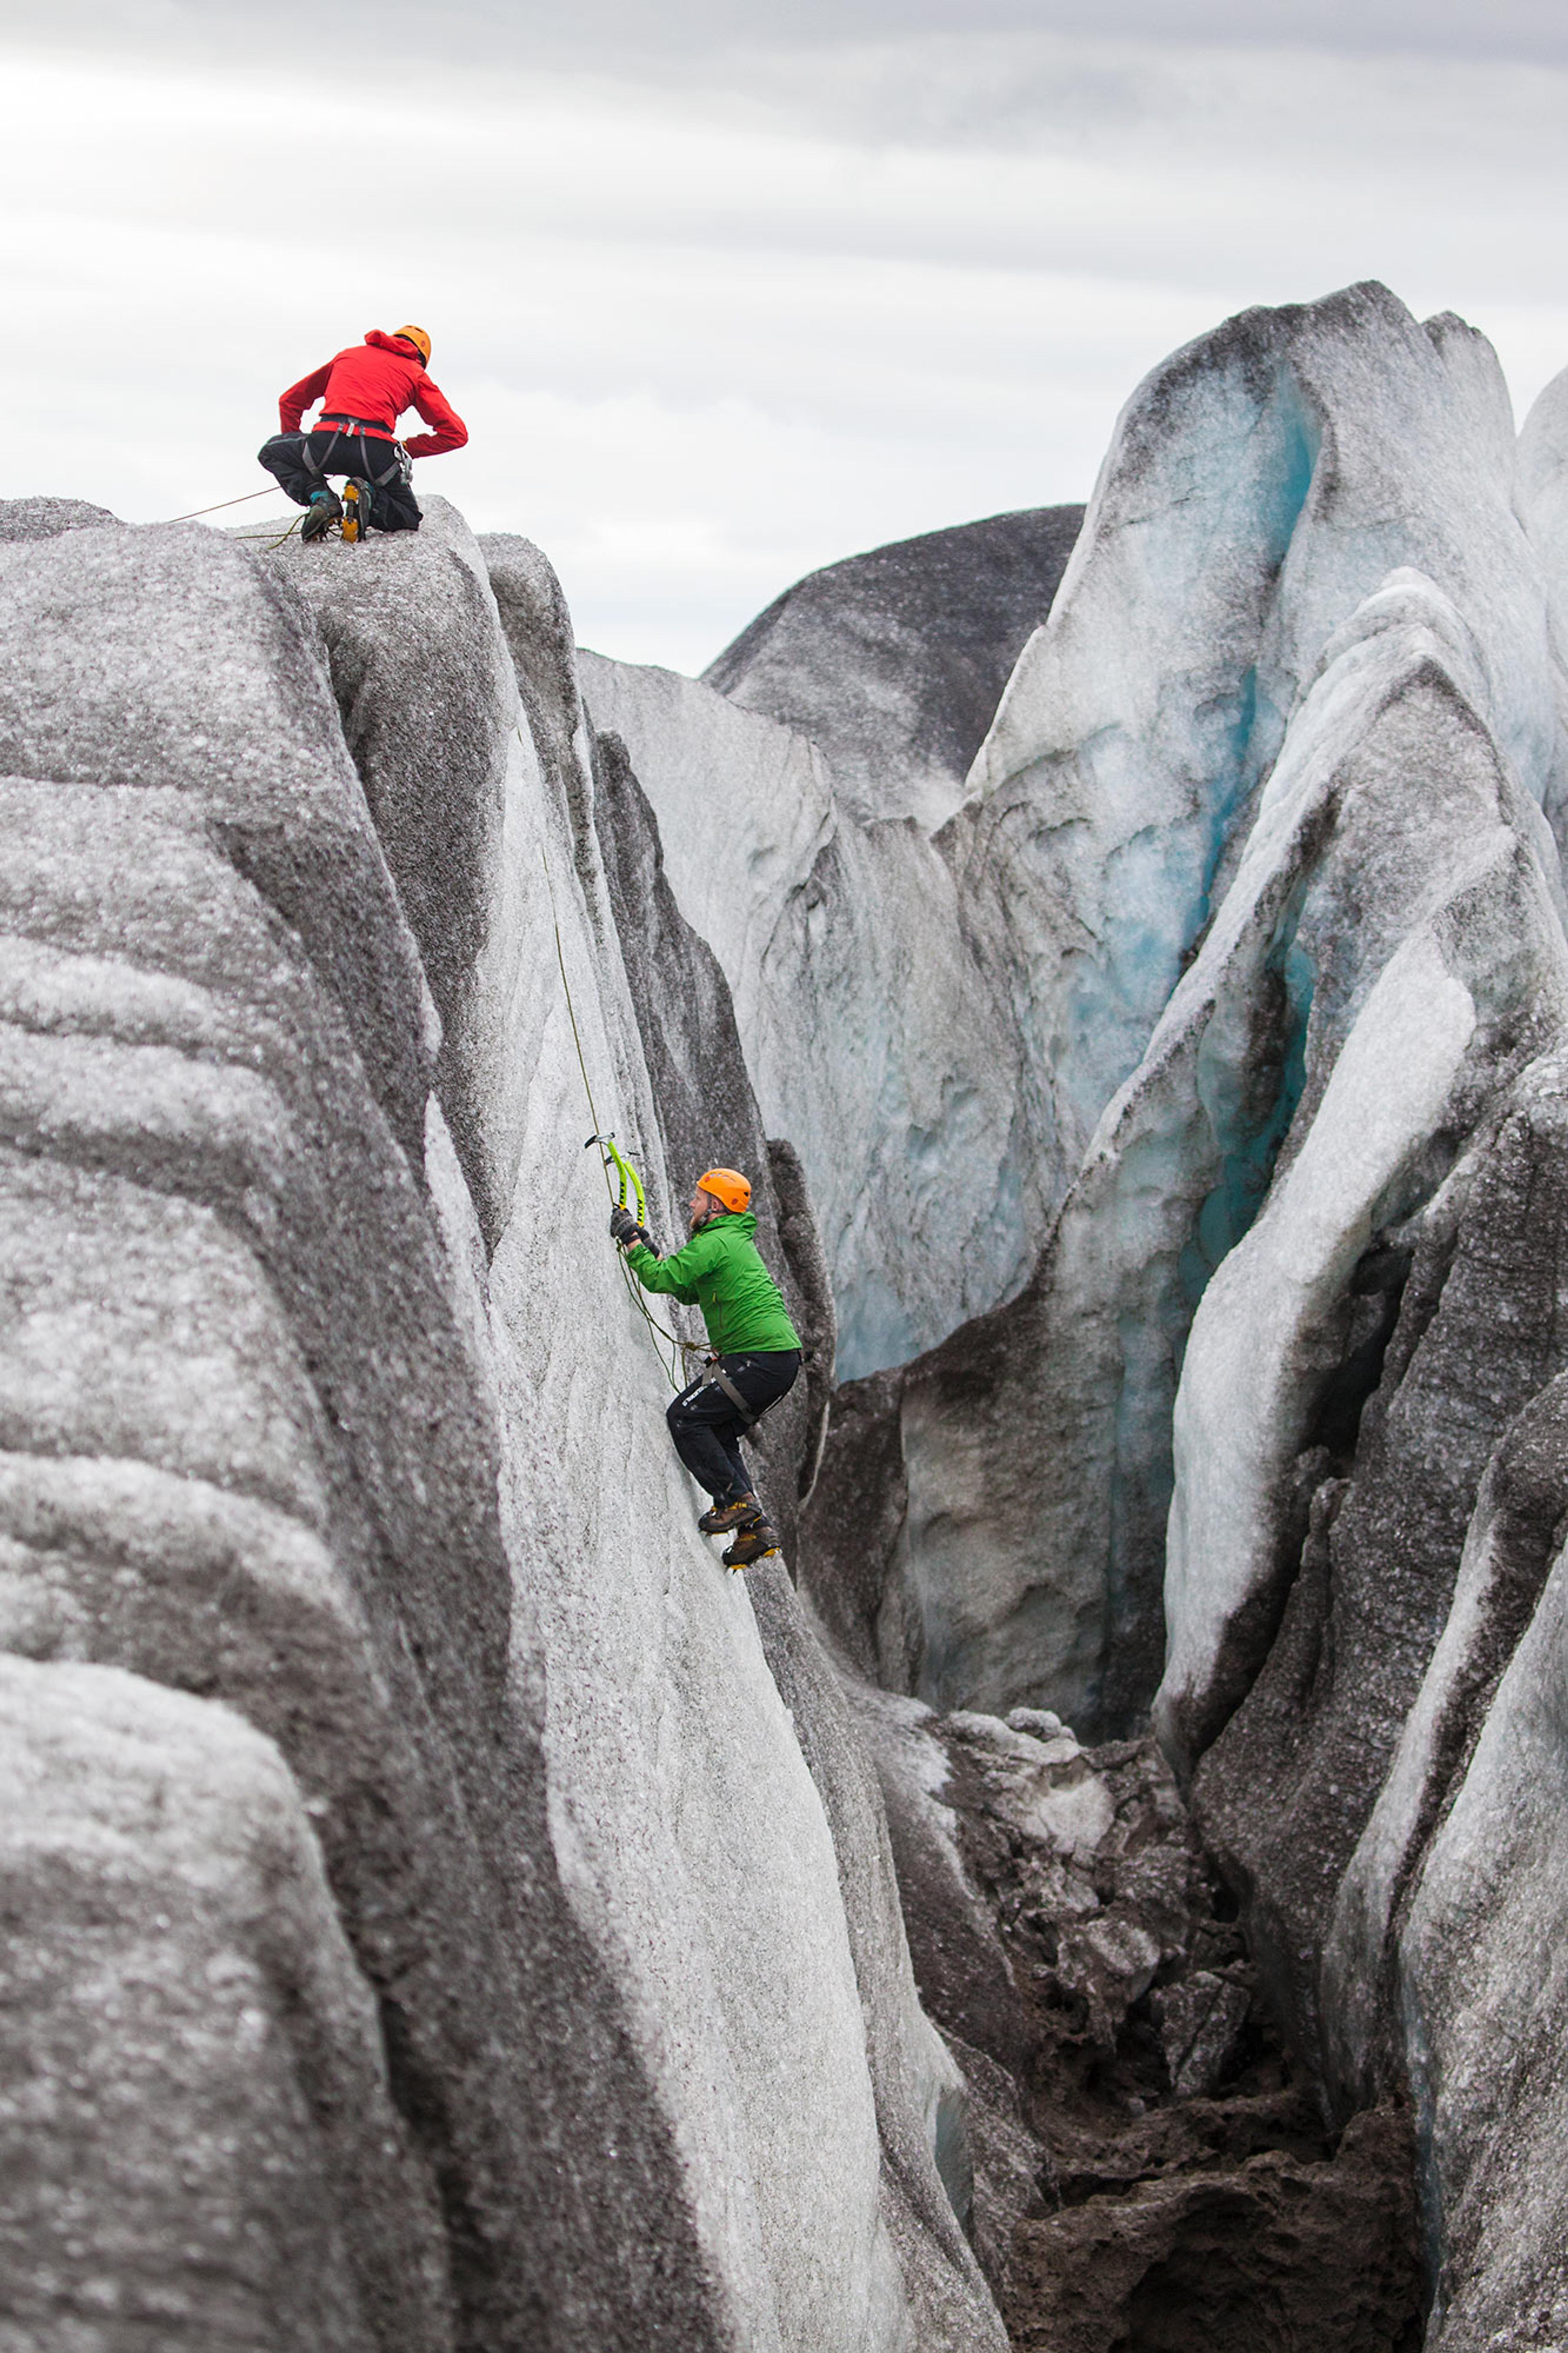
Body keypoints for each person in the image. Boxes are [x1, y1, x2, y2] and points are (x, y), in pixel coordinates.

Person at [612, 1167, 801, 1569]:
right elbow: (683, 1289)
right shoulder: (726, 1241)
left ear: (715, 1205)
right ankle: (756, 1531)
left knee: (685, 1417)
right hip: (776, 1361)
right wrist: (650, 1247)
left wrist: (631, 1240)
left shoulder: (717, 1240)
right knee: (718, 1429)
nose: (692, 1203)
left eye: (698, 1197)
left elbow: (661, 1279)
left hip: (760, 1357)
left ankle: (734, 1502)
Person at [257, 326, 467, 540]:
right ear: (420, 359)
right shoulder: (416, 373)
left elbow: (289, 401)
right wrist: (406, 448)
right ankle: (368, 499)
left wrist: (306, 468)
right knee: (408, 516)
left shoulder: (348, 356)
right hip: (376, 454)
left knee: (270, 452)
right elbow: (456, 434)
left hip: (327, 442)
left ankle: (322, 499)